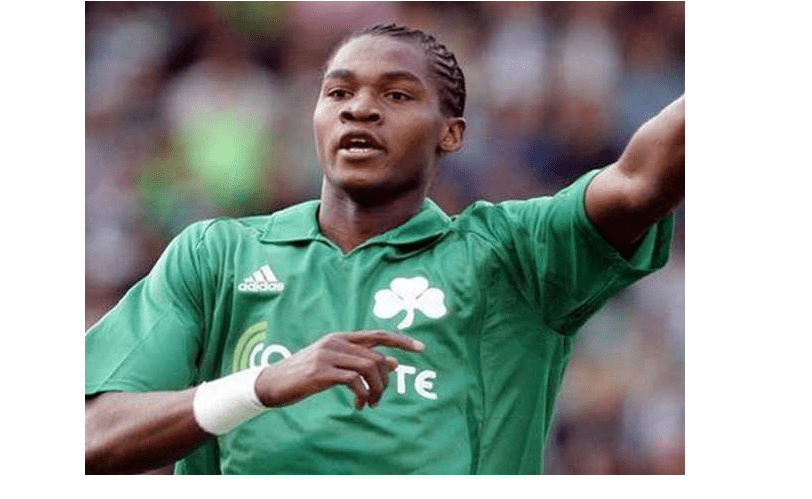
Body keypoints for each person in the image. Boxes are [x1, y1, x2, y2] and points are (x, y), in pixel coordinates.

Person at [85, 23, 684, 474]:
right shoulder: (216, 256)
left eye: (397, 95)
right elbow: (92, 437)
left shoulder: (513, 257)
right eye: (337, 92)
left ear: (451, 134)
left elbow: (641, 180)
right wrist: (260, 386)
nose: (360, 108)